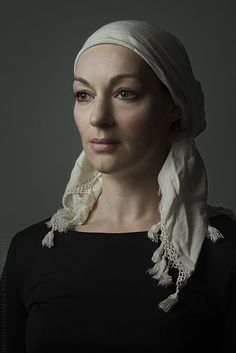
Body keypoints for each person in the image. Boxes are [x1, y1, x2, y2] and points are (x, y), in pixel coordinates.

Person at [0, 20, 235, 353]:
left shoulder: (224, 252)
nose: (98, 116)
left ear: (174, 106)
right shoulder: (30, 251)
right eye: (83, 94)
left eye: (126, 93)